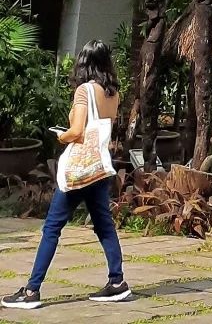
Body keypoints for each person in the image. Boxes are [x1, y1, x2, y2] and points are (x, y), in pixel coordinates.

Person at [3, 39, 131, 310]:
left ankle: (31, 290)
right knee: (104, 226)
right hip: (99, 168)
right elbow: (102, 128)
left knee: (52, 228)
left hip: (79, 171)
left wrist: (62, 136)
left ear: (84, 63)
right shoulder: (113, 94)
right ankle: (117, 281)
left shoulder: (84, 90)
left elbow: (77, 131)